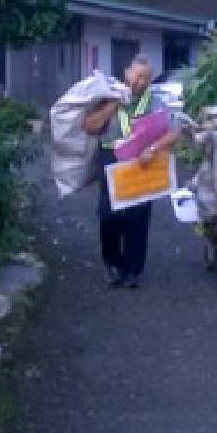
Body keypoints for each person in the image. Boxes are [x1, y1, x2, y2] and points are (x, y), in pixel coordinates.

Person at [83, 57, 179, 289]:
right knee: (109, 215)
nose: (139, 82)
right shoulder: (108, 96)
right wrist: (114, 105)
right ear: (126, 73)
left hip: (143, 159)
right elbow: (89, 126)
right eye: (136, 76)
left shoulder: (155, 101)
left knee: (138, 216)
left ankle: (133, 270)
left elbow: (174, 131)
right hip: (112, 158)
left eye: (145, 78)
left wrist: (154, 148)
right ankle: (112, 263)